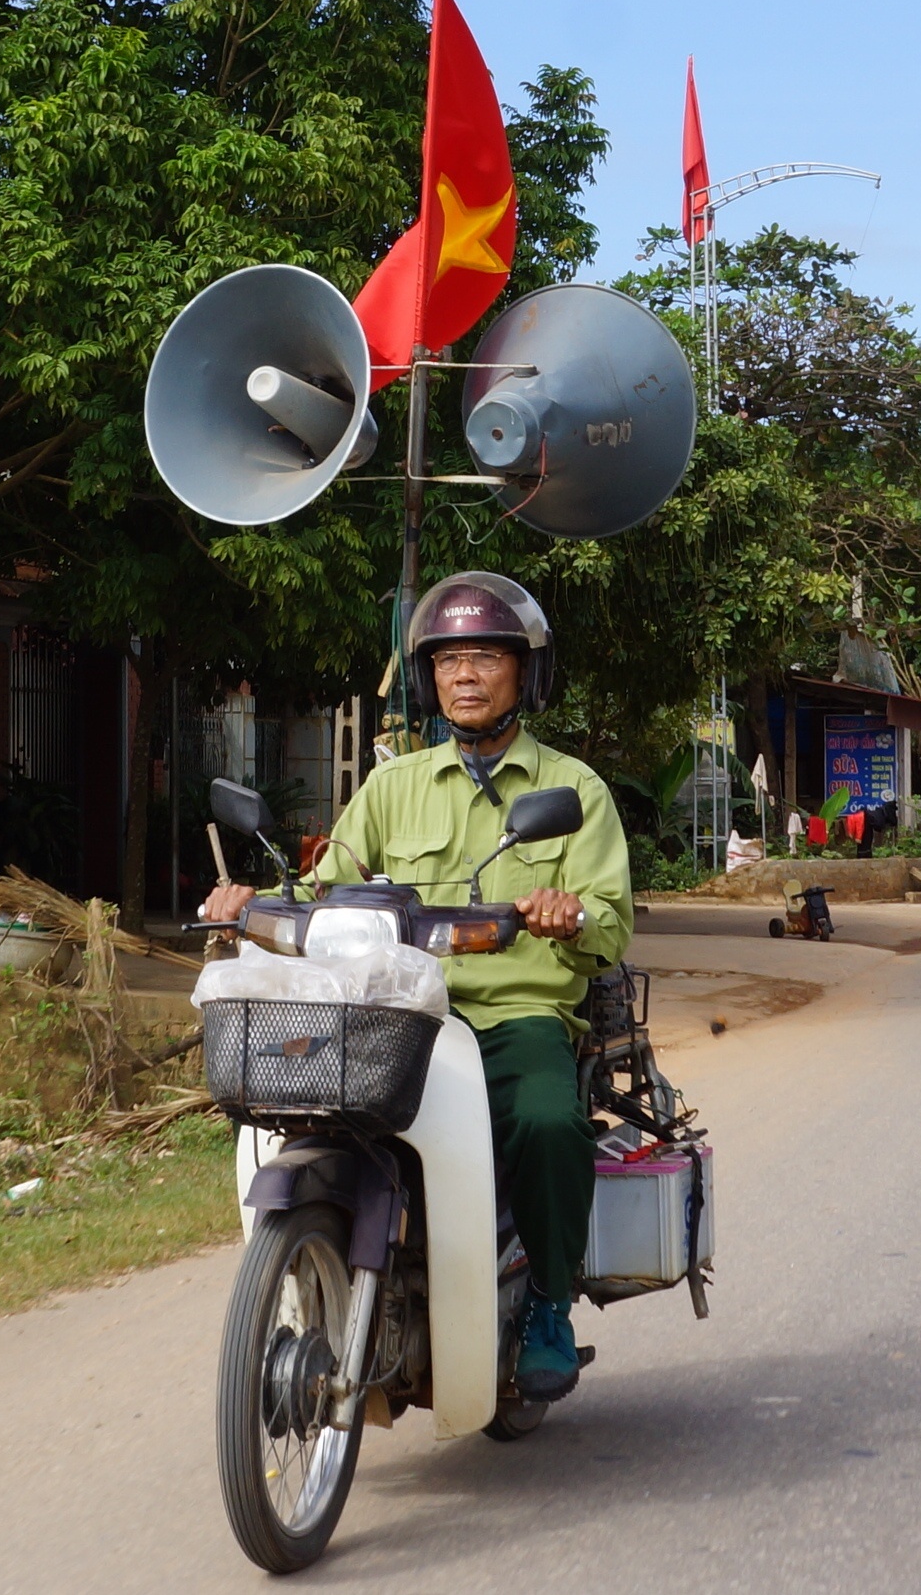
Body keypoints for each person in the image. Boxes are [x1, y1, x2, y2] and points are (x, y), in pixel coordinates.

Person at [197, 572, 632, 1404]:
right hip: (396, 1013)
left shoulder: (575, 792)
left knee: (546, 1117)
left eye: (486, 656)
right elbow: (328, 888)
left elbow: (610, 923)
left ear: (526, 672)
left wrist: (566, 912)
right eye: (448, 659)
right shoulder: (391, 784)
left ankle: (547, 1299)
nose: (464, 674)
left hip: (512, 1015)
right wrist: (254, 903)